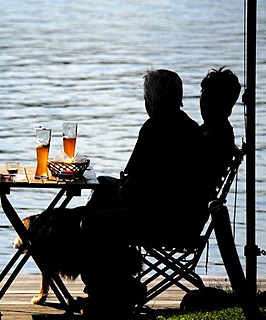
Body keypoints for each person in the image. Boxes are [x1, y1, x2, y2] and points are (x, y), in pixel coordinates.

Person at [78, 69, 210, 319]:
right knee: (101, 194)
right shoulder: (190, 128)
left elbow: (132, 187)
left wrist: (121, 187)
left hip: (159, 218)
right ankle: (112, 288)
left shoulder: (153, 128)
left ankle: (109, 291)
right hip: (182, 215)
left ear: (151, 100)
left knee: (92, 222)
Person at [199, 66, 241, 197]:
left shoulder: (216, 136)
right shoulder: (216, 131)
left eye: (210, 99)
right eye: (203, 97)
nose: (204, 104)